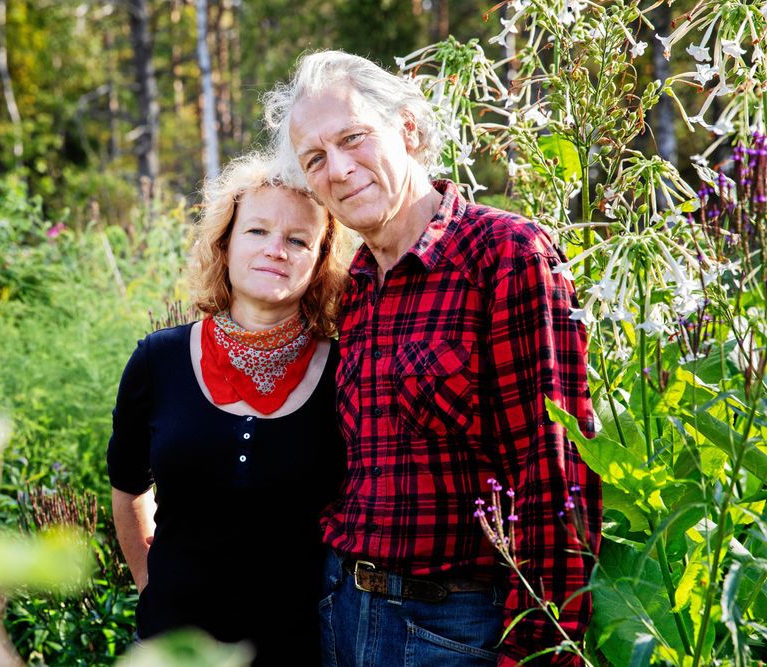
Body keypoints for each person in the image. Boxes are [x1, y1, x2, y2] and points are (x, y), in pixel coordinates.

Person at [262, 51, 602, 666]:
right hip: (341, 610)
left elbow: (553, 469)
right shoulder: (354, 285)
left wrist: (545, 652)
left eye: (353, 138)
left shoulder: (505, 255)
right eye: (315, 159)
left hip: (455, 627)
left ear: (409, 131)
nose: (338, 169)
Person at [107, 153, 347, 664]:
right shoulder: (159, 359)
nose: (275, 250)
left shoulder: (345, 371)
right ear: (226, 242)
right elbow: (127, 487)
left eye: (298, 239)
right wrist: (153, 585)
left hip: (299, 650)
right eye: (257, 231)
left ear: (321, 258)